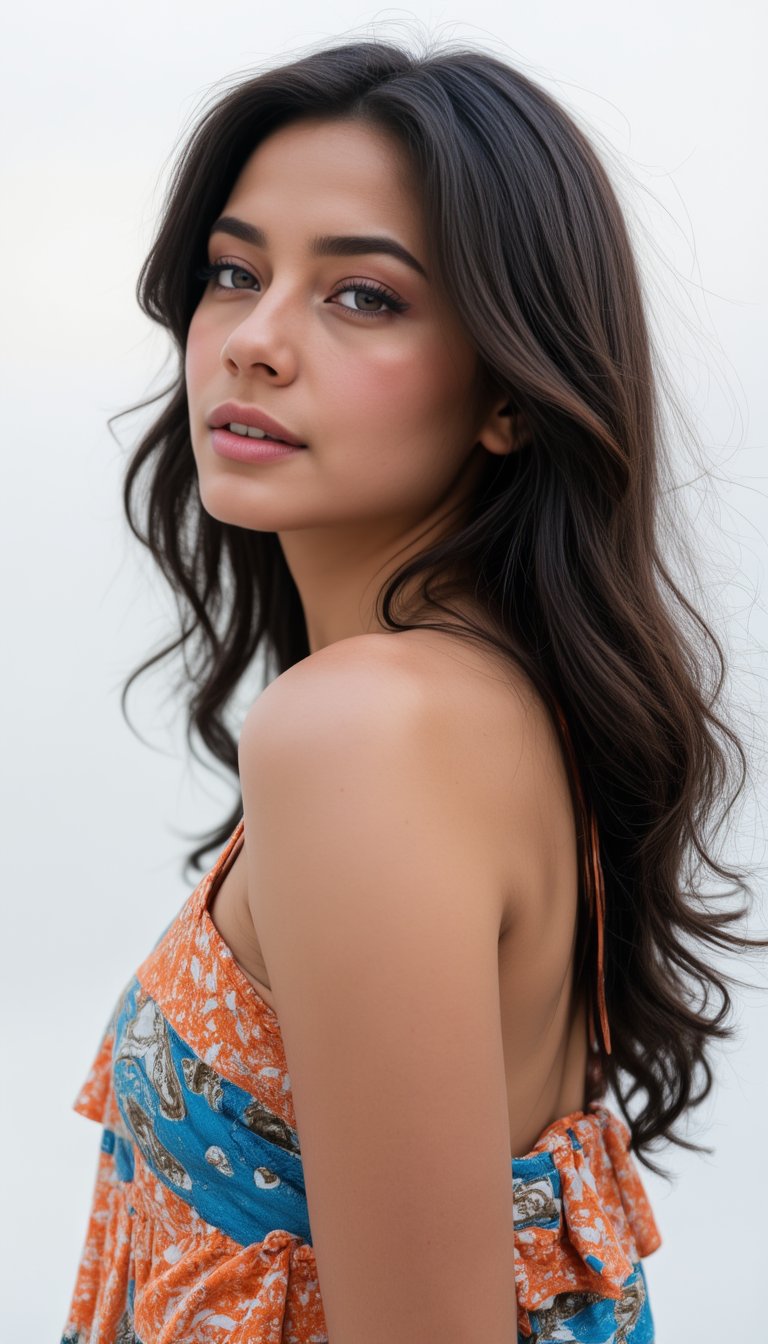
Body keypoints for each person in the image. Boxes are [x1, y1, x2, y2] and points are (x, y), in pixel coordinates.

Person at [61, 37, 757, 1344]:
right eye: (234, 272)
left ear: (509, 389)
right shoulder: (488, 707)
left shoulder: (362, 733)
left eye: (362, 296)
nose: (255, 342)